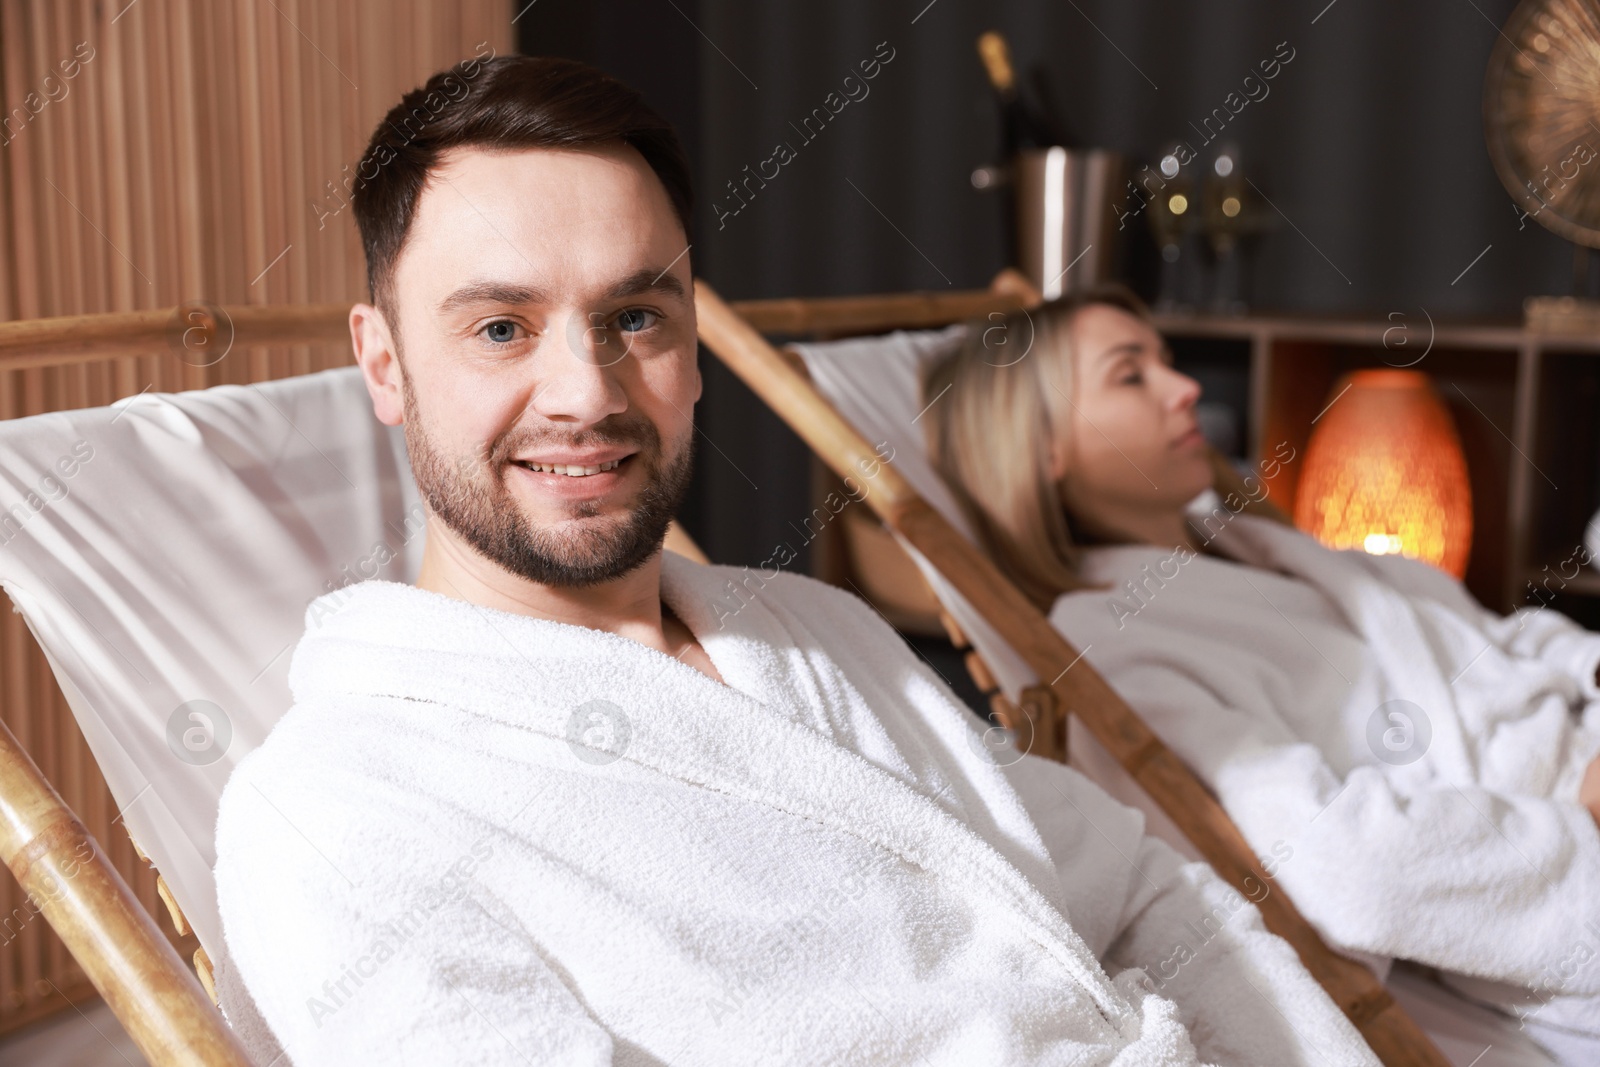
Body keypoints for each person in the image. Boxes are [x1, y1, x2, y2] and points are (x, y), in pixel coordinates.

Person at [210, 56, 1379, 1065]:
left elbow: (1138, 886)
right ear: (384, 362)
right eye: (501, 327)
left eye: (636, 317)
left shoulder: (812, 632)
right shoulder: (335, 812)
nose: (586, 392)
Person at [923, 285, 1600, 1056]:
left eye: (1168, 363)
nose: (1187, 391)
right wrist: (1576, 815)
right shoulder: (1109, 642)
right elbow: (1351, 866)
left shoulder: (1256, 547)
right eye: (1130, 375)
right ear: (1041, 446)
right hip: (1562, 833)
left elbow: (1479, 634)